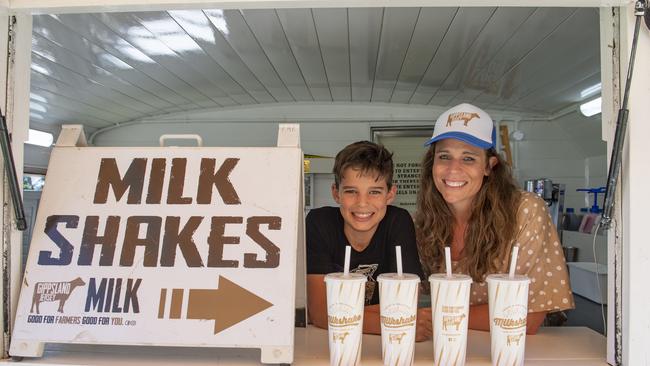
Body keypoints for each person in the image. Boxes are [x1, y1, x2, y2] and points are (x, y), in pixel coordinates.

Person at [415, 103, 574, 334]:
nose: (452, 169)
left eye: (468, 158)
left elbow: (529, 317)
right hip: (448, 345)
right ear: (433, 164)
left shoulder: (525, 211)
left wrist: (438, 315)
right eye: (444, 156)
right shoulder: (424, 220)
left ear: (489, 166)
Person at [306, 141, 432, 341]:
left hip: (387, 345)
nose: (362, 203)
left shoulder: (397, 221)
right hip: (336, 341)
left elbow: (407, 304)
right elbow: (320, 313)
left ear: (390, 194)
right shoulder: (319, 223)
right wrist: (394, 325)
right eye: (351, 191)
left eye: (374, 191)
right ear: (336, 193)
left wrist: (339, 314)